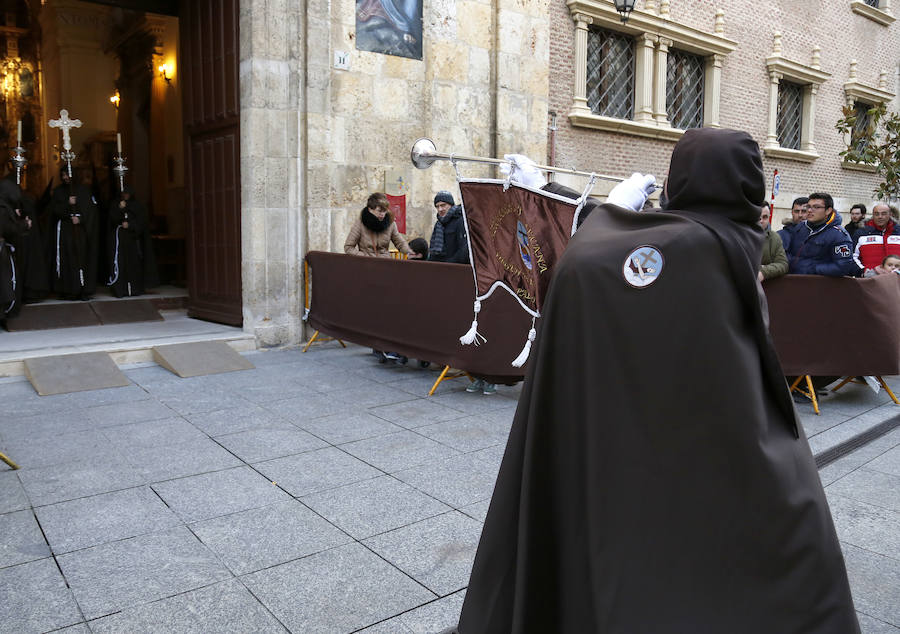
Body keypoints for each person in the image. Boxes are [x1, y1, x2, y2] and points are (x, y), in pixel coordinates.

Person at [453, 129, 858, 633]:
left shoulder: (693, 242)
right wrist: (568, 204)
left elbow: (583, 267)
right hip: (717, 425)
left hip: (668, 437)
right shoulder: (732, 235)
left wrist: (597, 214)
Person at [49, 166, 99, 300]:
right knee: (67, 259)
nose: (65, 177)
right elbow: (54, 210)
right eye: (63, 175)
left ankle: (82, 288)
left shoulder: (83, 190)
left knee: (80, 259)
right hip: (65, 231)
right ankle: (67, 289)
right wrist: (67, 203)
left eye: (67, 175)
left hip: (80, 231)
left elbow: (90, 211)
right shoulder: (59, 191)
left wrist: (81, 219)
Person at [786, 193, 856, 277]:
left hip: (820, 285)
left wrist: (812, 268)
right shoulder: (800, 227)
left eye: (816, 207)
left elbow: (843, 266)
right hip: (794, 280)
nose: (809, 210)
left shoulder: (839, 235)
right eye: (808, 206)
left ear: (828, 210)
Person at [107, 185, 159, 297]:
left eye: (127, 193)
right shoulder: (115, 204)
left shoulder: (138, 206)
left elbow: (142, 222)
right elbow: (112, 220)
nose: (125, 195)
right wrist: (120, 209)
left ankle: (134, 289)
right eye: (123, 193)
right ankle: (121, 290)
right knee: (120, 264)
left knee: (134, 265)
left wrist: (130, 225)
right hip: (119, 240)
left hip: (133, 240)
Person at [343, 192, 417, 258]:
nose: (382, 214)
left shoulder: (390, 223)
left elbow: (400, 242)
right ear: (370, 209)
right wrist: (364, 257)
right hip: (366, 265)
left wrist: (409, 251)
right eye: (379, 211)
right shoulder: (360, 224)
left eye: (384, 211)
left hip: (385, 264)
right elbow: (348, 247)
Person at [851, 203, 900, 276]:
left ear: (890, 214)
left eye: (883, 214)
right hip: (870, 281)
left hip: (896, 282)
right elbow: (852, 257)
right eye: (876, 214)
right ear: (872, 215)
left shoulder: (898, 232)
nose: (880, 217)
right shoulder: (861, 233)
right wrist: (863, 272)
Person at [427, 190, 469, 263]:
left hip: (455, 267)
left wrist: (449, 263)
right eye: (437, 206)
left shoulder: (460, 220)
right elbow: (434, 252)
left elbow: (464, 249)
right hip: (440, 268)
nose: (440, 209)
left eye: (443, 205)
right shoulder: (439, 223)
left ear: (451, 205)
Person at [758, 202, 787, 281]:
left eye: (765, 217)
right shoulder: (739, 235)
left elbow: (783, 264)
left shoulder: (775, 238)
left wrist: (763, 272)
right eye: (757, 217)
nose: (761, 221)